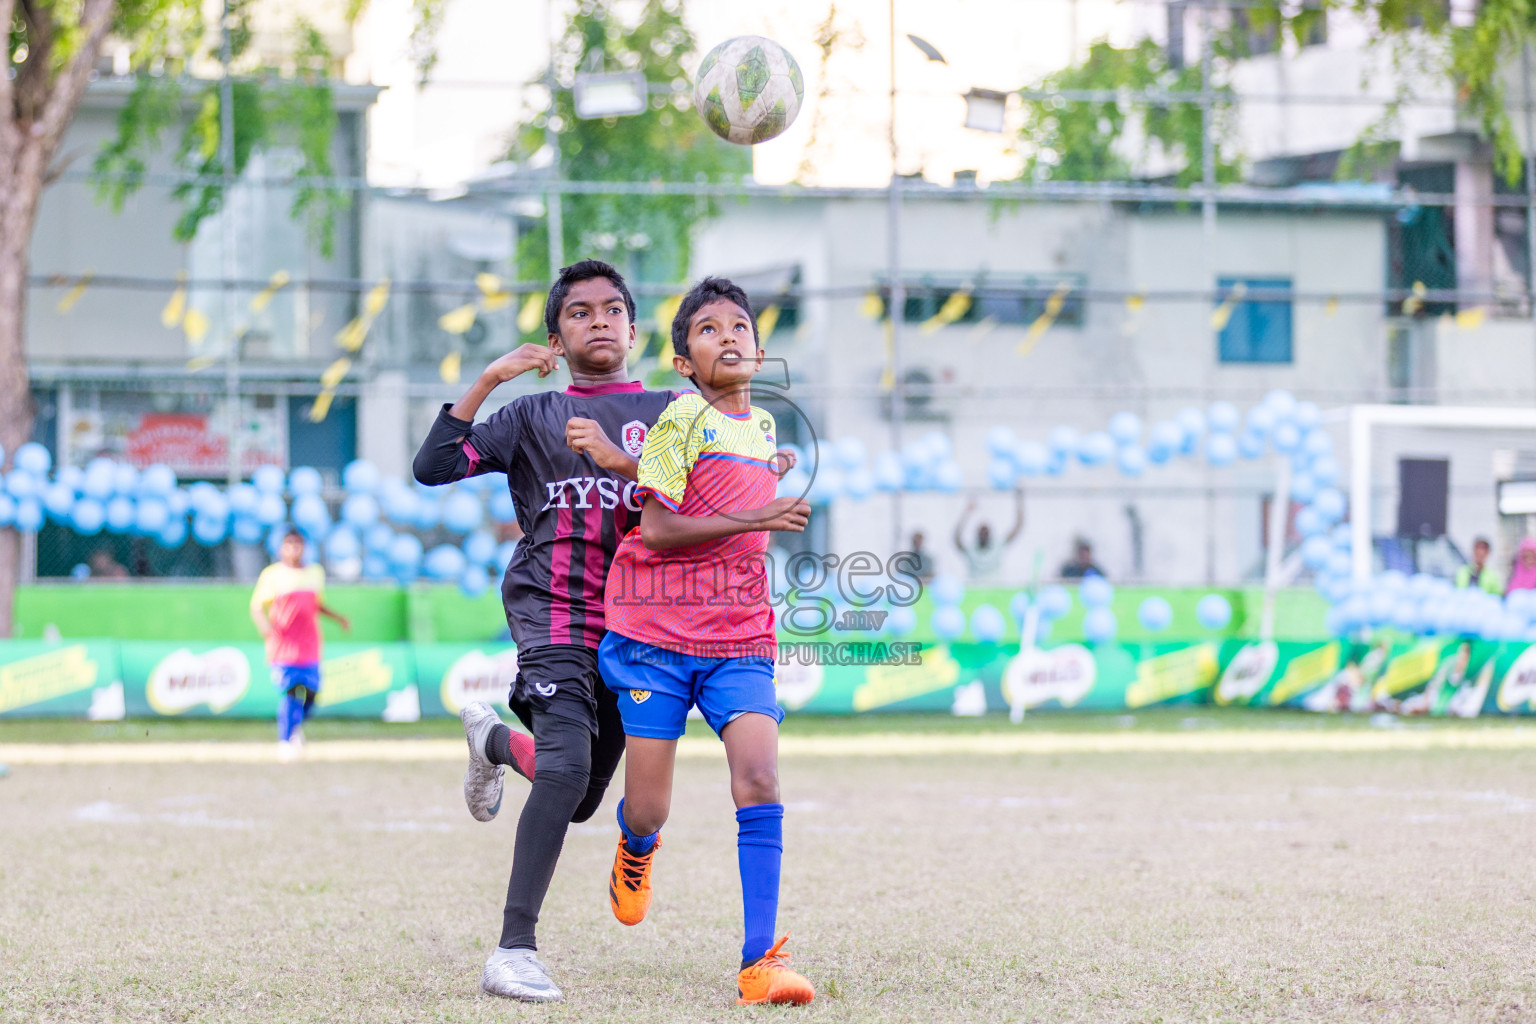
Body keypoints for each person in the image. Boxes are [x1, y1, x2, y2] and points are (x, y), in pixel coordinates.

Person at [412, 259, 675, 1003]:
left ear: (633, 326)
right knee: (562, 771)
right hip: (552, 610)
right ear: (555, 337)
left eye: (613, 309)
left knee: (586, 795)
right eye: (580, 311)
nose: (599, 320)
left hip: (638, 624)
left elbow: (703, 493)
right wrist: (491, 378)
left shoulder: (671, 408)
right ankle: (513, 950)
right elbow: (433, 465)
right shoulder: (530, 416)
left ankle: (491, 742)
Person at [598, 277, 816, 1006]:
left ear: (759, 349)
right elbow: (656, 528)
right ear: (685, 362)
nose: (728, 336)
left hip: (739, 633)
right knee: (650, 808)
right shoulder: (681, 420)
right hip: (655, 633)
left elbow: (731, 497)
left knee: (758, 779)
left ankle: (761, 963)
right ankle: (637, 847)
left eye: (740, 326)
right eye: (708, 329)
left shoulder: (764, 432)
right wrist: (756, 515)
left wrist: (765, 483)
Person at [249, 529, 350, 762]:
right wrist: (265, 627)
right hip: (284, 646)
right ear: (281, 548)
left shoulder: (315, 573)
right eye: (289, 544)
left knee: (312, 694)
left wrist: (338, 618)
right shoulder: (272, 575)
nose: (294, 548)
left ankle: (293, 727)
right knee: (292, 691)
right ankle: (285, 741)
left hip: (310, 644)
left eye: (298, 544)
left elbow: (316, 605)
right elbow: (257, 607)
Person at [953, 489, 1024, 583]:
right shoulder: (970, 550)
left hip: (995, 590)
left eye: (986, 532)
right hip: (975, 591)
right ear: (976, 534)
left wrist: (1019, 501)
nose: (983, 535)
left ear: (990, 534)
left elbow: (1018, 526)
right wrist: (967, 513)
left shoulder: (999, 546)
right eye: (981, 532)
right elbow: (956, 537)